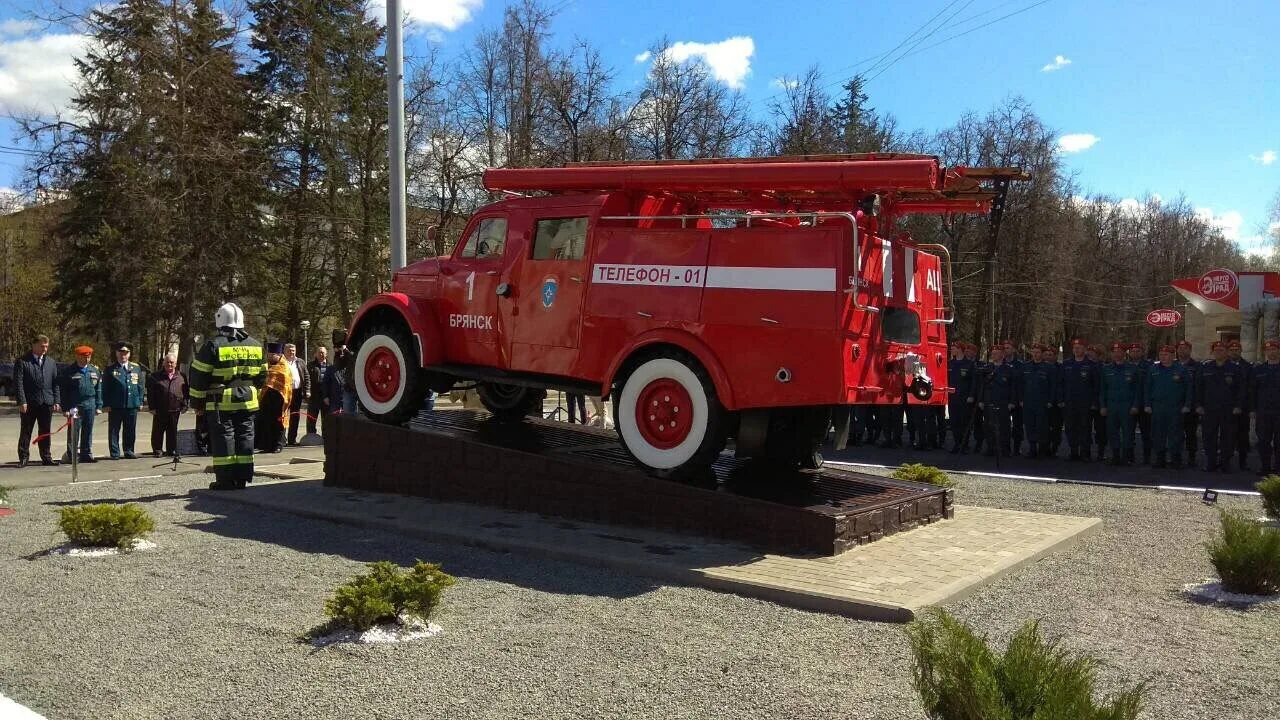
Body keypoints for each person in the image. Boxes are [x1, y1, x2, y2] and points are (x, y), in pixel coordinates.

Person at [189, 302, 266, 490]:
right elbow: (263, 375)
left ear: (220, 320)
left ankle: (225, 480)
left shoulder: (213, 345)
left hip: (221, 402)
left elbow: (198, 377)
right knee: (246, 437)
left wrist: (197, 403)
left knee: (224, 439)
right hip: (248, 400)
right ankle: (243, 478)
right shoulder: (256, 345)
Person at [1196, 341, 1243, 473]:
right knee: (1208, 436)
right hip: (1209, 409)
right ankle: (1210, 463)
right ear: (1212, 352)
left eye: (1222, 350)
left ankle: (1225, 463)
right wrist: (1198, 405)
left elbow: (1241, 389)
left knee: (1227, 437)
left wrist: (1238, 406)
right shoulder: (1206, 367)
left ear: (1227, 352)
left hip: (1228, 409)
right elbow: (1199, 388)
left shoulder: (1235, 368)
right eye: (1216, 350)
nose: (1218, 352)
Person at [1145, 345, 1191, 469]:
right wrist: (1147, 404)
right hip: (1158, 406)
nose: (1163, 357)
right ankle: (1160, 458)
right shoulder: (1153, 369)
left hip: (1175, 406)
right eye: (1161, 355)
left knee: (1175, 433)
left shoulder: (1181, 369)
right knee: (1158, 433)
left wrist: (1187, 404)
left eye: (1166, 355)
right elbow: (1147, 388)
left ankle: (1176, 459)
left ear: (1172, 355)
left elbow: (1189, 389)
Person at [16, 334, 60, 467]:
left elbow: (55, 383)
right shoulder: (23, 361)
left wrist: (56, 401)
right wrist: (22, 401)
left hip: (47, 402)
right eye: (42, 346)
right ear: (34, 345)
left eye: (46, 346)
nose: (44, 349)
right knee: (26, 431)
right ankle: (24, 457)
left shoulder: (51, 362)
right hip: (29, 403)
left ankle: (46, 457)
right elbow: (18, 384)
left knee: (45, 431)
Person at [55, 346, 103, 463]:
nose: (86, 359)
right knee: (74, 431)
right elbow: (64, 391)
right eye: (84, 357)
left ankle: (86, 453)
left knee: (88, 429)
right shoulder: (69, 371)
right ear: (77, 356)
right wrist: (65, 408)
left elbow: (98, 389)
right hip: (75, 404)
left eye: (88, 357)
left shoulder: (94, 370)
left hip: (90, 404)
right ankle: (72, 454)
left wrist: (99, 405)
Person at [102, 341, 146, 459]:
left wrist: (140, 401)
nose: (123, 355)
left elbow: (140, 386)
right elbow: (105, 388)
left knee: (130, 429)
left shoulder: (136, 368)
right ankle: (115, 452)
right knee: (114, 430)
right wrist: (105, 404)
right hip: (116, 405)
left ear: (129, 354)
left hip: (132, 404)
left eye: (126, 353)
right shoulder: (110, 369)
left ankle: (129, 450)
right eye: (121, 353)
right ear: (116, 354)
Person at [1099, 342, 1141, 466]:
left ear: (1124, 353)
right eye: (1114, 352)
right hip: (1111, 406)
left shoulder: (1133, 369)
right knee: (1112, 431)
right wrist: (1102, 406)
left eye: (1119, 352)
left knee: (1128, 432)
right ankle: (1115, 455)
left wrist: (1135, 405)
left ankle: (1126, 456)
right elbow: (1102, 390)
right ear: (1111, 354)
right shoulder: (1106, 369)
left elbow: (1137, 390)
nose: (1117, 354)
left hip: (1127, 406)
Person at [977, 344, 1018, 457]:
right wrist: (980, 400)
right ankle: (991, 447)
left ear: (1002, 355)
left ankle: (1005, 448)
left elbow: (1013, 387)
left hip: (1003, 401)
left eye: (997, 353)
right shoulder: (987, 368)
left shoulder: (1009, 369)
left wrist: (1012, 402)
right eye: (993, 353)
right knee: (988, 425)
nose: (994, 355)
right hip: (989, 399)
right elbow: (982, 386)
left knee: (1004, 426)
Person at [1061, 339, 1099, 462]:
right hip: (1070, 402)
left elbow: (1095, 386)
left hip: (1085, 403)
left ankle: (1085, 452)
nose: (1077, 350)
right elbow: (1060, 384)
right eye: (1075, 348)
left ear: (1084, 349)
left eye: (1079, 347)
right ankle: (1073, 451)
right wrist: (1061, 399)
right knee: (1070, 427)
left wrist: (1094, 402)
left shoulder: (1091, 365)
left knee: (1085, 428)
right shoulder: (1066, 364)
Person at [147, 354, 187, 457]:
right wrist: (152, 407)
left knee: (172, 431)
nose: (169, 364)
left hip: (175, 408)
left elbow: (185, 392)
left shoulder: (182, 376)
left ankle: (171, 450)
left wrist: (185, 405)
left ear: (175, 364)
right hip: (160, 409)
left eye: (172, 362)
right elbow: (151, 393)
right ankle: (157, 450)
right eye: (167, 362)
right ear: (164, 363)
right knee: (157, 431)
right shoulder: (155, 376)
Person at [256, 342, 293, 453]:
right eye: (269, 354)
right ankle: (267, 445)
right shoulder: (265, 365)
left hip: (280, 398)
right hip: (266, 397)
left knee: (279, 422)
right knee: (266, 421)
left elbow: (286, 384)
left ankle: (278, 444)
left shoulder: (284, 367)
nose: (271, 356)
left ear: (279, 354)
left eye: (273, 354)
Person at [1250, 340, 1280, 475]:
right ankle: (1265, 467)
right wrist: (1252, 409)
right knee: (1263, 441)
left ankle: (1278, 468)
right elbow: (1253, 391)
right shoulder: (1259, 370)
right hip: (1263, 412)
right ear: (1265, 352)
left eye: (1274, 349)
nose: (1271, 352)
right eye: (1268, 350)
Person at [1020, 344, 1055, 458]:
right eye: (1033, 352)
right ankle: (1032, 448)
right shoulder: (1025, 366)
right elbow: (1020, 385)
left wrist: (1050, 400)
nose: (1035, 354)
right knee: (1030, 425)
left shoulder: (1049, 368)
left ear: (1042, 354)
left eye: (1038, 352)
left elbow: (1052, 386)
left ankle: (1042, 449)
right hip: (1028, 401)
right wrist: (1021, 399)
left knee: (1042, 426)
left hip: (1042, 401)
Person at [1227, 339, 1253, 470]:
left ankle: (1243, 462)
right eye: (1231, 350)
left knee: (1243, 435)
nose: (1234, 352)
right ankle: (1227, 461)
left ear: (1241, 351)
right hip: (1227, 407)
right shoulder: (1222, 366)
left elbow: (1251, 388)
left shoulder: (1248, 367)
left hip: (1243, 407)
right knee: (1228, 435)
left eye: (1236, 350)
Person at [1125, 343, 1153, 465]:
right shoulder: (1125, 366)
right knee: (1128, 432)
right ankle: (1130, 456)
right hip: (1129, 404)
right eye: (1132, 351)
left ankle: (1147, 457)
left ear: (1142, 352)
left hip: (1144, 404)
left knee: (1146, 433)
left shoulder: (1149, 366)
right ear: (1129, 353)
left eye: (1137, 351)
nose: (1135, 353)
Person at [947, 342, 975, 454]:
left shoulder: (969, 364)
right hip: (952, 397)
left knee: (964, 422)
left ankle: (964, 444)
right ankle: (957, 443)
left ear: (959, 349)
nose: (951, 350)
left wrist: (971, 395)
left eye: (953, 348)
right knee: (954, 422)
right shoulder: (950, 364)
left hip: (964, 398)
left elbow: (973, 382)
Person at [1176, 340, 1201, 465]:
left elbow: (1198, 387)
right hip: (1175, 405)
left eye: (1185, 348)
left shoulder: (1197, 366)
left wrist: (1197, 405)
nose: (1182, 350)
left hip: (1191, 406)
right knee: (1176, 433)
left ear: (1190, 350)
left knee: (1191, 432)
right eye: (1180, 348)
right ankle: (1177, 456)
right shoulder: (1173, 365)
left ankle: (1191, 457)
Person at [282, 343, 309, 445]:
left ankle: (292, 440)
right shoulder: (281, 362)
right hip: (284, 393)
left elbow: (306, 377)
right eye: (289, 350)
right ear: (284, 351)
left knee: (295, 416)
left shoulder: (300, 362)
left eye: (293, 350)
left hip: (297, 392)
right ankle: (282, 439)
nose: (291, 352)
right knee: (283, 416)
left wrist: (307, 390)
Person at [306, 346, 328, 435]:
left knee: (326, 419)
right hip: (314, 396)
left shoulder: (330, 366)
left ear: (326, 354)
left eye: (323, 352)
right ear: (316, 354)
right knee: (311, 418)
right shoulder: (310, 366)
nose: (321, 354)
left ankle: (326, 437)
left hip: (326, 397)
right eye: (319, 352)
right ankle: (311, 436)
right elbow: (307, 380)